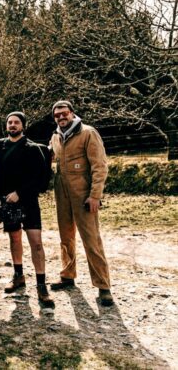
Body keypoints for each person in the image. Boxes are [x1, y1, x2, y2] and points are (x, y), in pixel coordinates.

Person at [48, 100, 113, 306]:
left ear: (72, 113)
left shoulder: (88, 133)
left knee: (91, 240)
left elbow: (100, 166)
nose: (61, 118)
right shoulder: (56, 136)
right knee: (66, 237)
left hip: (84, 195)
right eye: (57, 115)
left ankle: (103, 286)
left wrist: (95, 196)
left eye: (64, 114)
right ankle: (68, 275)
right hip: (62, 194)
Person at [0, 112, 54, 307]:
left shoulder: (33, 149)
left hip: (28, 201)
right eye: (9, 122)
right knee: (14, 238)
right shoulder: (0, 146)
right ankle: (18, 275)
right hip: (8, 202)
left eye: (16, 122)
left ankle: (41, 284)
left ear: (23, 126)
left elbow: (40, 178)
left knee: (36, 242)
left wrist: (20, 192)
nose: (12, 125)